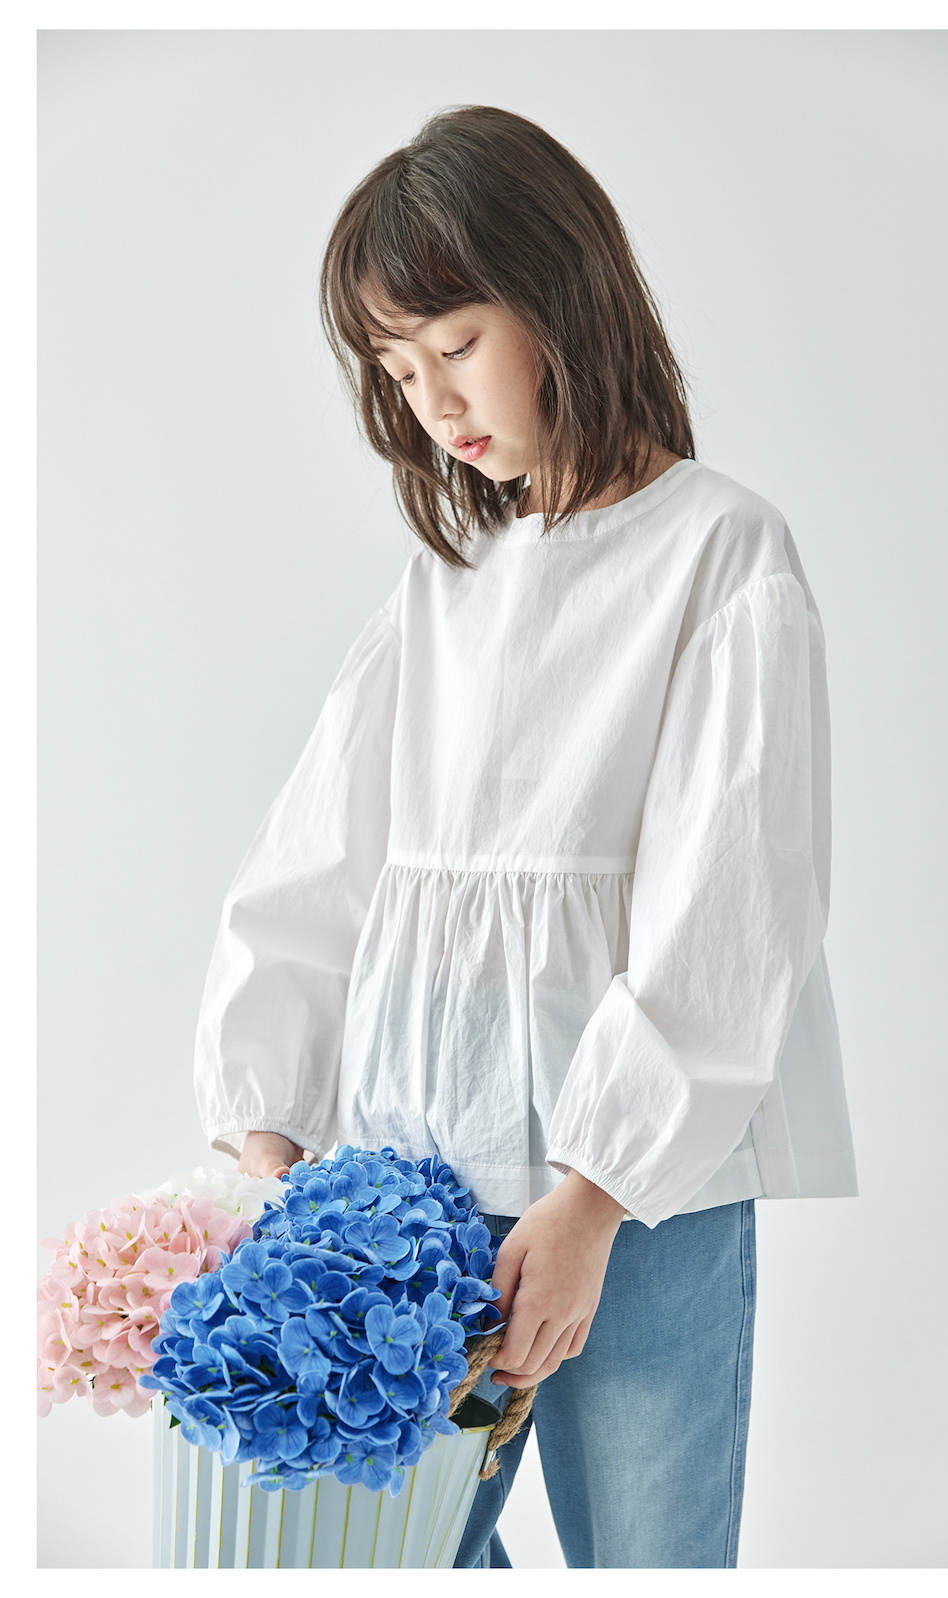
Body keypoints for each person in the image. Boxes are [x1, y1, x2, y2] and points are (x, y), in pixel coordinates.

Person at [193, 105, 857, 1569]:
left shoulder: (719, 552)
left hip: (633, 1198)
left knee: (648, 1556)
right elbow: (314, 874)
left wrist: (592, 1199)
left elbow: (732, 911)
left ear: (560, 298)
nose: (433, 400)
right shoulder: (446, 582)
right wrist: (272, 1149)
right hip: (408, 1183)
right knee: (376, 1556)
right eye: (396, 369)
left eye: (457, 342)